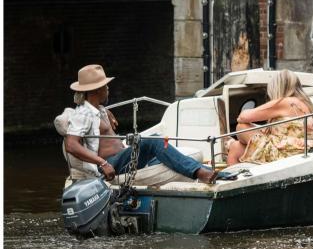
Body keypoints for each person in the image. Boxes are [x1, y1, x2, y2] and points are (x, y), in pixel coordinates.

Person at [65, 64, 232, 184]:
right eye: (105, 86)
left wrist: (105, 111)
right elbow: (71, 145)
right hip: (110, 164)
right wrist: (103, 163)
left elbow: (98, 122)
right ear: (95, 90)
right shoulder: (82, 114)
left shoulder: (98, 109)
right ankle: (201, 173)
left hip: (121, 158)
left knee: (162, 150)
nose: (108, 89)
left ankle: (212, 174)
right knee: (154, 142)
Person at [226, 69, 313, 166]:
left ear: (278, 87)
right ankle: (237, 177)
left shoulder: (286, 102)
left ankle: (234, 177)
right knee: (235, 147)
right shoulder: (306, 103)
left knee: (241, 127)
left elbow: (243, 117)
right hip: (298, 151)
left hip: (285, 155)